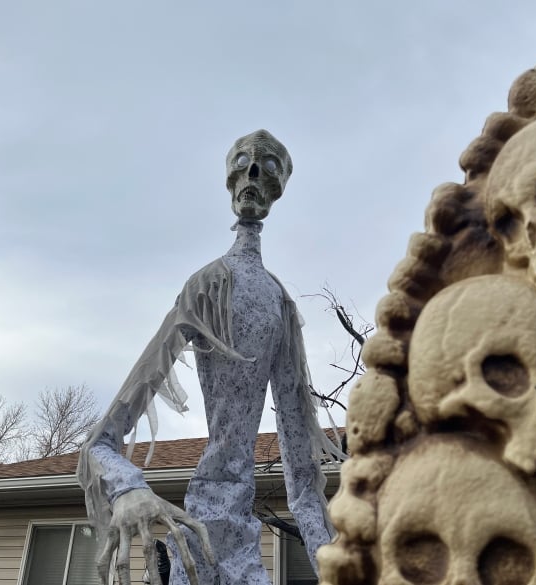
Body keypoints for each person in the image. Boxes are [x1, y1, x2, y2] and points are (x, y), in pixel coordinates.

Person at [77, 130, 344, 585]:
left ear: (279, 189)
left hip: (242, 529)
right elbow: (101, 442)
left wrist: (336, 565)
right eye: (244, 162)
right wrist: (128, 487)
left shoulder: (278, 302)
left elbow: (302, 471)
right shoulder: (206, 285)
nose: (254, 174)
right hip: (198, 523)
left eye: (269, 166)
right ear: (229, 178)